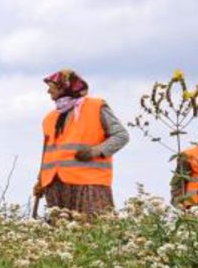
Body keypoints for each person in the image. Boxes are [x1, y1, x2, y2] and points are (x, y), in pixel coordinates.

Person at [34, 70, 129, 218]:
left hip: (89, 183)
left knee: (94, 231)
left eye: (51, 86)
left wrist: (95, 151)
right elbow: (46, 152)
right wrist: (40, 180)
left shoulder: (96, 106)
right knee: (60, 236)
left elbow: (121, 135)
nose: (48, 91)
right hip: (55, 184)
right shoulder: (50, 118)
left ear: (64, 86)